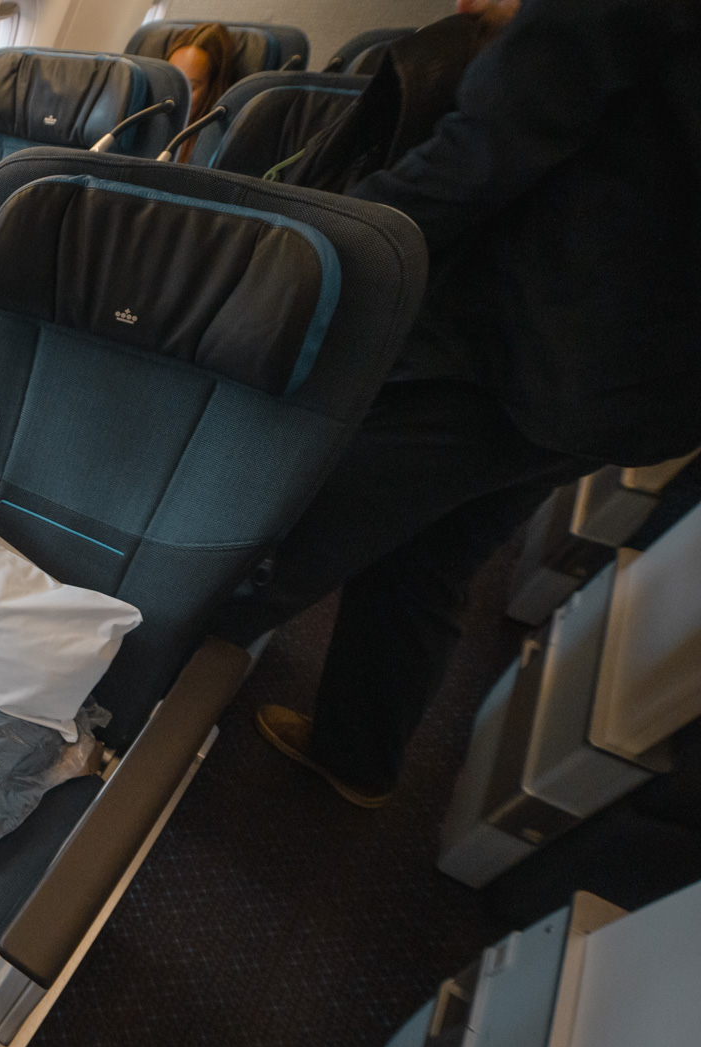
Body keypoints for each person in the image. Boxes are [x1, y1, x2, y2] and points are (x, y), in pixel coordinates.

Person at [220, 0, 701, 808]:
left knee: (265, 539)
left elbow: (478, 157)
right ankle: (356, 755)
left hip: (517, 349)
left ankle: (114, 713)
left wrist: (309, 245)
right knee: (429, 558)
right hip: (636, 383)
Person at [166, 23, 237, 158]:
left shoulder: (214, 150)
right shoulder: (146, 128)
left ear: (212, 90)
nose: (174, 96)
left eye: (189, 87)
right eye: (170, 82)